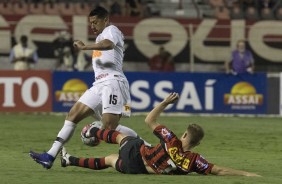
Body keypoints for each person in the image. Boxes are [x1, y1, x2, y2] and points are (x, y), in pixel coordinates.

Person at [29, 6, 142, 169]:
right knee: (73, 115)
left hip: (113, 82)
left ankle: (144, 145)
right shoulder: (99, 38)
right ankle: (50, 155)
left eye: (95, 22)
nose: (92, 26)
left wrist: (85, 47)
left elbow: (109, 45)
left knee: (110, 128)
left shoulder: (112, 30)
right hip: (99, 84)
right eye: (91, 23)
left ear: (106, 20)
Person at [60, 93, 260, 177]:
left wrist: (164, 103)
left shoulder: (171, 138)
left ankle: (92, 131)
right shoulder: (194, 161)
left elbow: (149, 120)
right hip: (136, 169)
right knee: (110, 160)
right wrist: (246, 173)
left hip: (138, 152)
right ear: (197, 144)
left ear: (184, 134)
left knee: (124, 138)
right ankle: (69, 160)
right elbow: (219, 171)